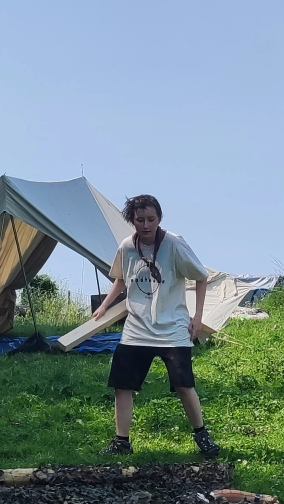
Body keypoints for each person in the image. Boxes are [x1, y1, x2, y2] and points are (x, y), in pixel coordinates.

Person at [89, 194, 223, 459]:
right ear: (132, 221)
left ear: (159, 219)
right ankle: (121, 442)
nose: (146, 225)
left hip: (172, 328)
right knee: (122, 385)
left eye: (151, 219)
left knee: (184, 385)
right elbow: (121, 278)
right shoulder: (127, 246)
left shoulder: (173, 244)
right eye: (140, 220)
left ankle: (202, 435)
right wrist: (105, 305)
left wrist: (197, 317)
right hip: (137, 328)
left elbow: (201, 276)